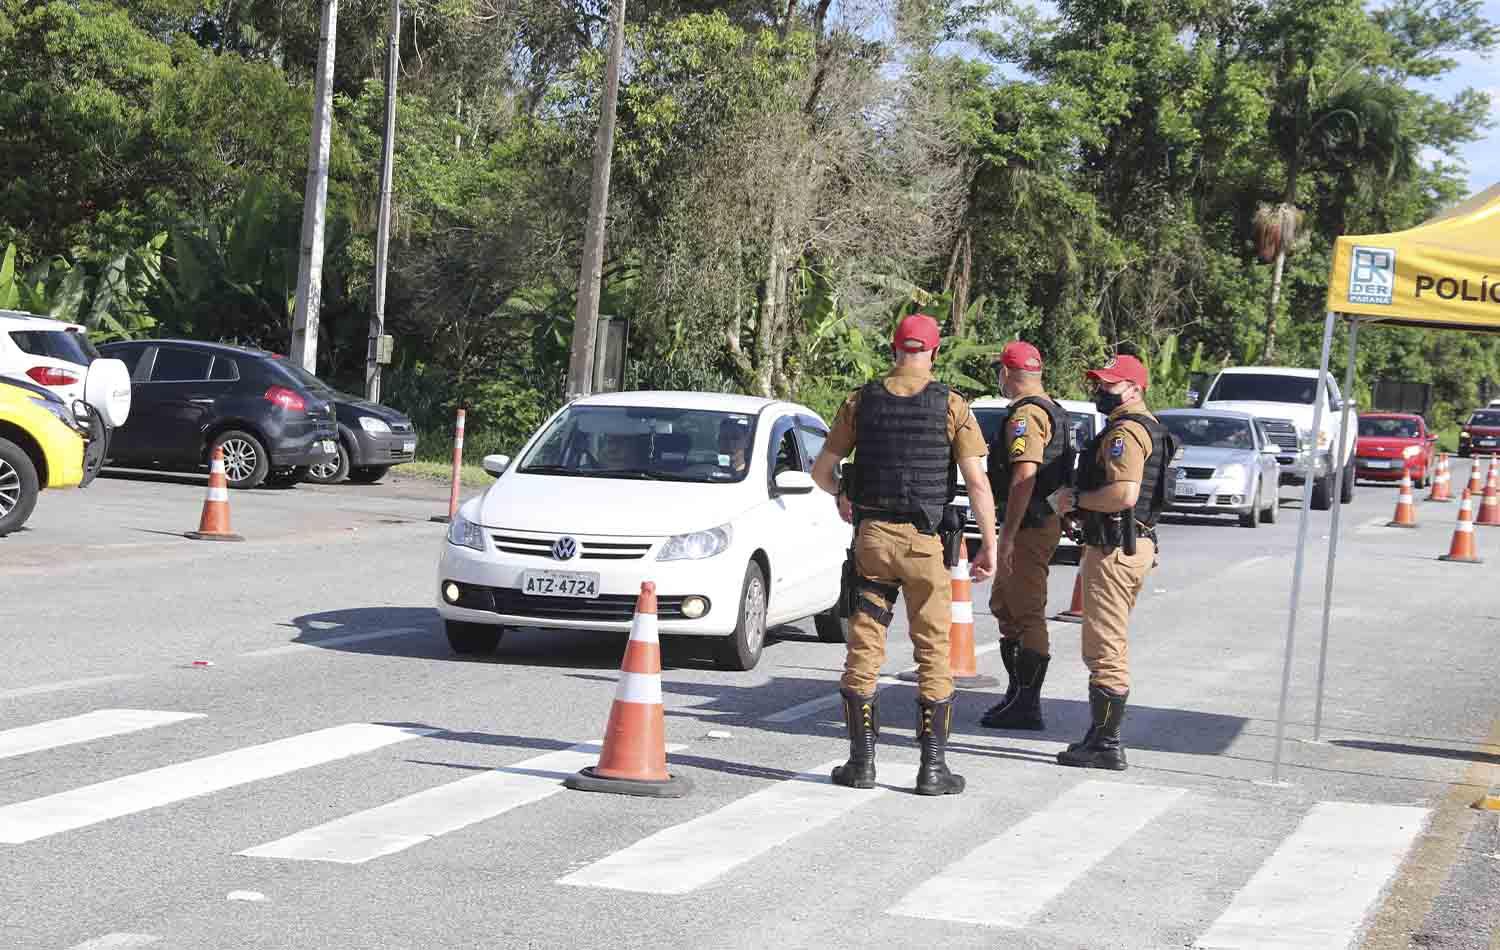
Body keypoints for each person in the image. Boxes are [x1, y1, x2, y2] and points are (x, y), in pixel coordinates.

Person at [810, 313, 998, 797]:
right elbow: (977, 482)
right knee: (934, 653)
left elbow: (823, 470)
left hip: (872, 539)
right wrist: (990, 545)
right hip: (924, 545)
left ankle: (861, 764)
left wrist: (841, 496)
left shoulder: (861, 400)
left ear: (894, 349)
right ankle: (932, 770)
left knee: (864, 648)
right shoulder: (952, 404)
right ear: (933, 352)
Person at [1053, 354, 1173, 770]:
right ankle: (1099, 734)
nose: (1100, 391)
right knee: (1107, 643)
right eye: (1100, 383)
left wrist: (1077, 501)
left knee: (1105, 647)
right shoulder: (1149, 428)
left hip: (1115, 547)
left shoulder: (1127, 433)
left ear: (1135, 388)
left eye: (1110, 385)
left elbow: (1123, 494)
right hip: (1129, 544)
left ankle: (1106, 743)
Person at [979, 341, 1072, 731]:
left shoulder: (1028, 415)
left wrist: (1008, 536)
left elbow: (1023, 476)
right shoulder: (1053, 409)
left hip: (1029, 525)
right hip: (1035, 521)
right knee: (1007, 608)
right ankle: (1017, 695)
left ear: (1007, 373)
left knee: (1027, 612)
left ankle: (1028, 705)